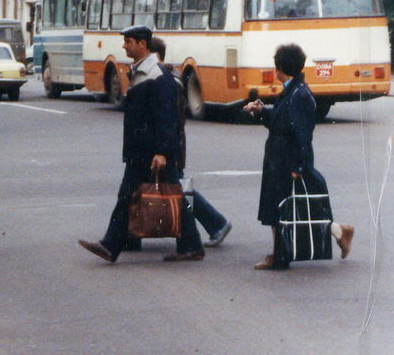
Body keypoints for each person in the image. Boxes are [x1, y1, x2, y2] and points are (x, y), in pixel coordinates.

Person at [78, 25, 204, 263]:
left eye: (129, 41)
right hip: (142, 150)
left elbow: (166, 117)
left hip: (150, 151)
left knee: (148, 195)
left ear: (142, 44)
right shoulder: (140, 72)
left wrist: (162, 152)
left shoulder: (156, 75)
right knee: (136, 195)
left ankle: (111, 245)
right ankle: (190, 244)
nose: (125, 46)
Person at [242, 43, 354, 270]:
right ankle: (337, 233)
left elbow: (303, 134)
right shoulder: (292, 90)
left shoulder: (299, 94)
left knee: (286, 209)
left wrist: (298, 166)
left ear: (281, 68)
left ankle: (280, 256)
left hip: (288, 161)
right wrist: (261, 110)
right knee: (285, 208)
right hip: (280, 158)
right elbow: (283, 118)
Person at [149, 37, 232, 248]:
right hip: (171, 144)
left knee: (179, 189)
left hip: (170, 146)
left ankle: (216, 223)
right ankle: (215, 223)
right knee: (178, 187)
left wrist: (165, 149)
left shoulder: (165, 79)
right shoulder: (168, 76)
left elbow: (171, 118)